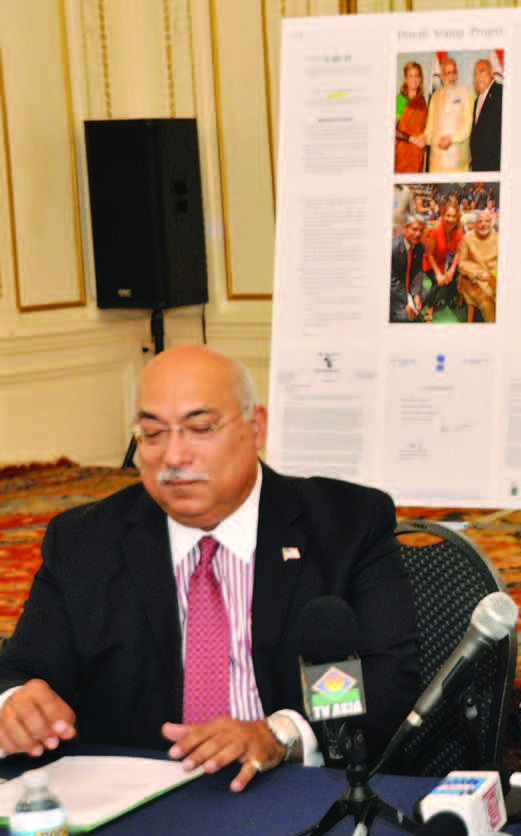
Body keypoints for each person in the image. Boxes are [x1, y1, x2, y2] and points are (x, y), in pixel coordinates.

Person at [0, 346, 420, 789]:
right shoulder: (85, 541)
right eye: (152, 433)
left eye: (200, 428)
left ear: (256, 427)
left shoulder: (346, 524)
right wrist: (15, 705)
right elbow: (20, 670)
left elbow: (384, 679)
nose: (174, 456)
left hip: (296, 794)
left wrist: (278, 734)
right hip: (135, 805)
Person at [425, 56, 473, 173]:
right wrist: (424, 138)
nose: (452, 76)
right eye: (447, 73)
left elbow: (467, 126)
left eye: (454, 72)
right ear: (441, 76)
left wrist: (451, 139)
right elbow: (429, 129)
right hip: (436, 163)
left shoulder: (465, 92)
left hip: (457, 162)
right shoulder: (435, 96)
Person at [421, 197, 464, 321]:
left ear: (457, 218)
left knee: (454, 274)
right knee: (437, 282)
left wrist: (451, 269)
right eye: (448, 215)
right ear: (443, 215)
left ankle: (451, 298)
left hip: (443, 261)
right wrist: (439, 274)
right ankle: (429, 307)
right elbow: (429, 255)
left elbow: (458, 252)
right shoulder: (434, 231)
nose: (450, 219)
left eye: (453, 216)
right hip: (430, 263)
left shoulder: (459, 231)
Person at [457, 208, 498, 323]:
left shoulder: (498, 238)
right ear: (475, 223)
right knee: (488, 302)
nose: (483, 224)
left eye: (487, 221)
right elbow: (462, 263)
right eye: (480, 221)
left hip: (494, 279)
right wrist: (477, 274)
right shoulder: (467, 238)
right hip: (473, 281)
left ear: (492, 223)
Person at [393, 60, 429, 174]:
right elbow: (392, 130)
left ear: (421, 78)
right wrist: (413, 139)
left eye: (417, 76)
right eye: (410, 76)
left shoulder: (423, 102)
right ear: (405, 79)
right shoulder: (400, 100)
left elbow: (425, 126)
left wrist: (425, 137)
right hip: (402, 155)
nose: (414, 79)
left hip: (417, 155)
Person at [390, 215, 427, 323]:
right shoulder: (393, 248)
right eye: (414, 229)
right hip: (395, 290)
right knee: (404, 317)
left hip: (408, 286)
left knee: (425, 295)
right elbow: (392, 281)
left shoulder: (419, 247)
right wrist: (405, 302)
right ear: (405, 228)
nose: (418, 234)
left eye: (421, 230)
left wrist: (416, 294)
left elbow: (418, 272)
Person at [469, 58, 503, 173]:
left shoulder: (501, 93)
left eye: (482, 71)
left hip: (494, 167)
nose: (478, 77)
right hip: (478, 168)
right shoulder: (476, 101)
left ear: (492, 73)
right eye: (475, 74)